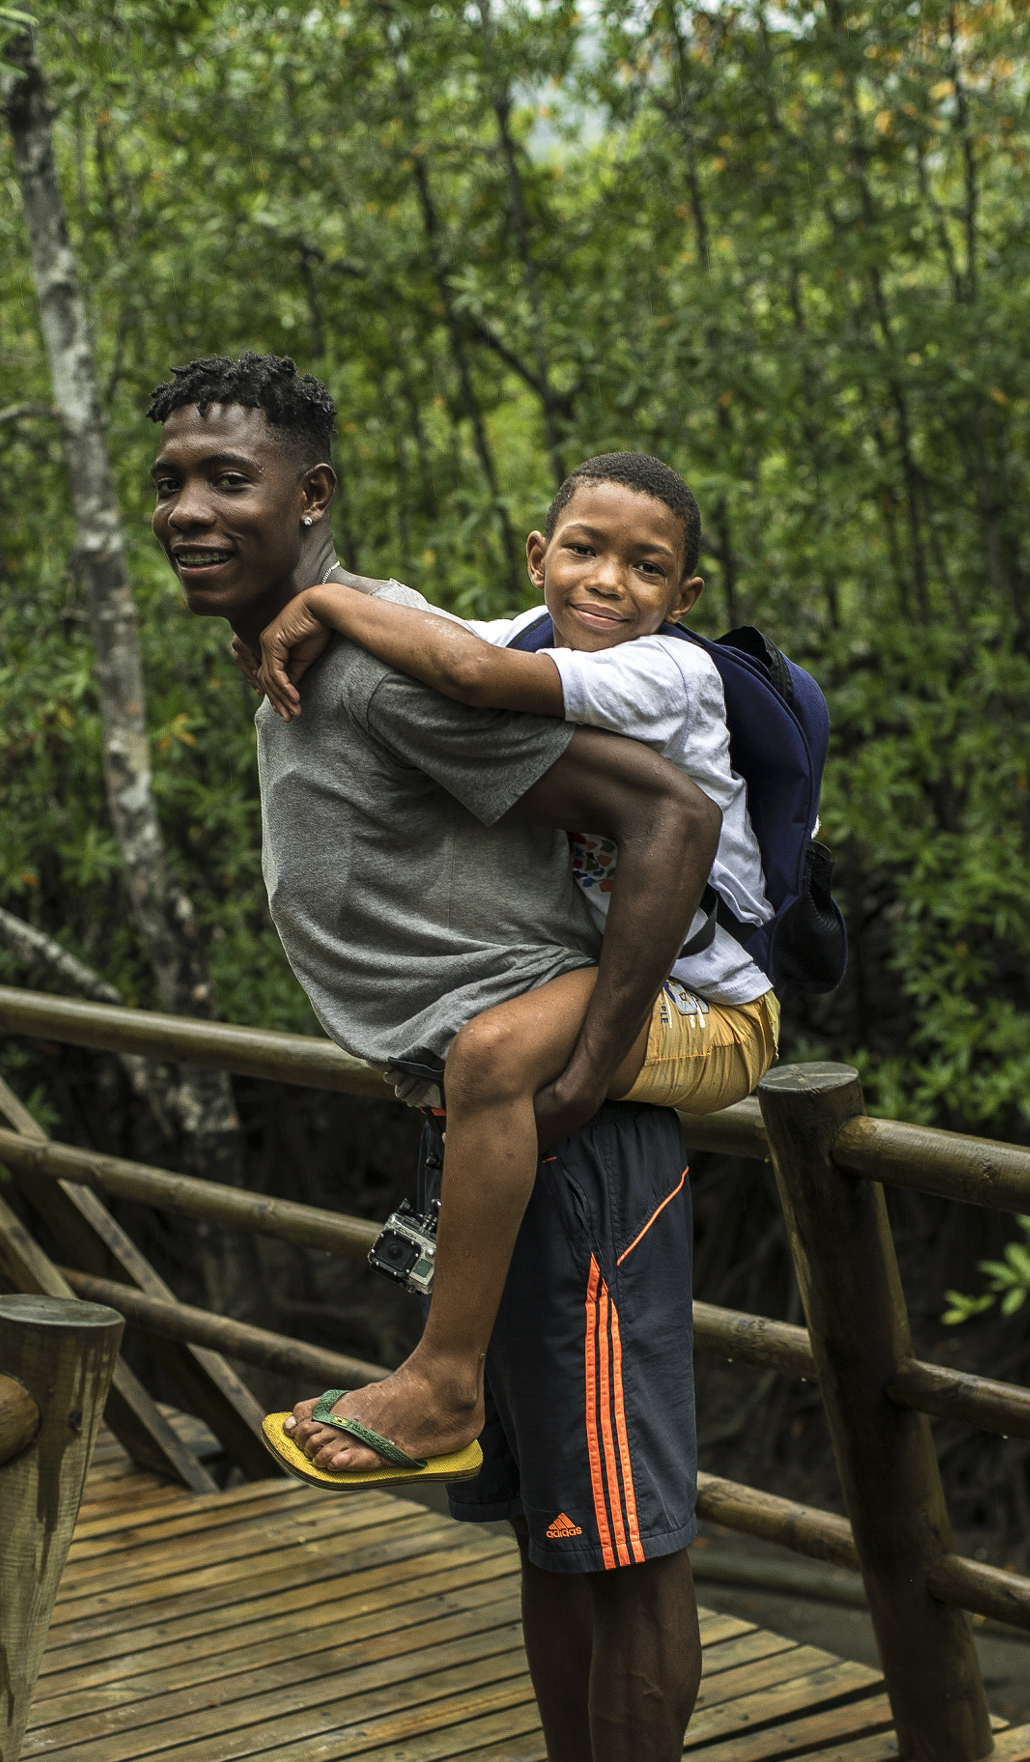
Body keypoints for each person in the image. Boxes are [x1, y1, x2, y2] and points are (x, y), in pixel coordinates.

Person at [148, 351, 717, 1762]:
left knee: (626, 1539)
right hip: (486, 1141)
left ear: (309, 499)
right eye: (173, 476)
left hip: (572, 1148)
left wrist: (587, 1055)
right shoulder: (311, 652)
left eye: (230, 480)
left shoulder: (381, 665)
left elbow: (668, 809)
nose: (190, 506)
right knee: (554, 1529)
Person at [244, 452, 778, 1488]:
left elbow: (466, 676)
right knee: (485, 1052)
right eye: (584, 549)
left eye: (646, 566)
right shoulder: (523, 632)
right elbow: (433, 637)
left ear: (685, 597)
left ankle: (446, 1379)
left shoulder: (669, 669)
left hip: (716, 1006)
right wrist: (310, 615)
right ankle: (456, 1371)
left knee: (493, 1054)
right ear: (539, 556)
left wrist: (318, 598)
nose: (608, 581)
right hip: (621, 974)